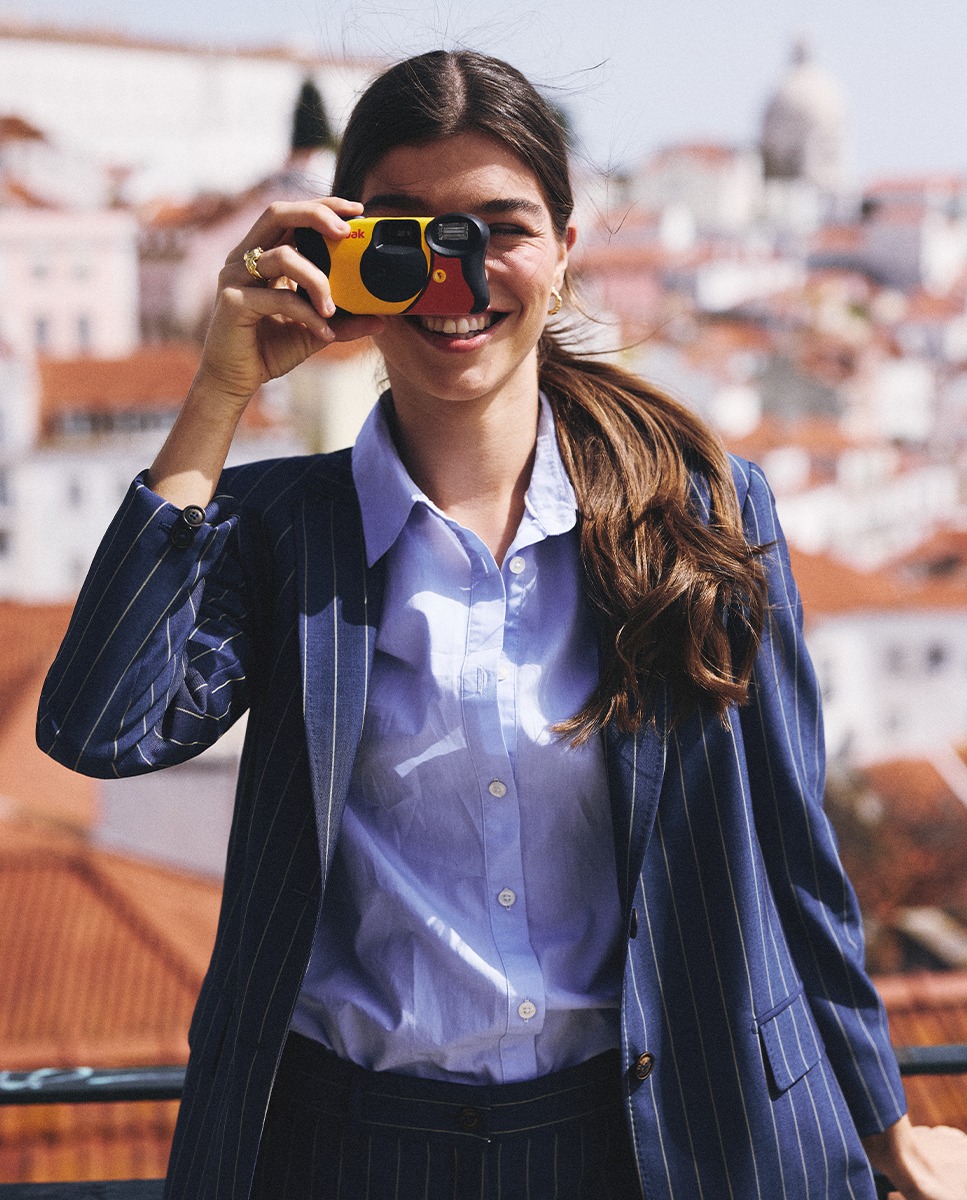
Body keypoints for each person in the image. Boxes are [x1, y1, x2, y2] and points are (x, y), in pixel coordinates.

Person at [38, 50, 967, 1200]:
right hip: (351, 1149)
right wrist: (219, 390)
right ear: (341, 256)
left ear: (566, 251)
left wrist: (885, 1125)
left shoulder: (701, 510)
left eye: (497, 228)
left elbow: (792, 851)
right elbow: (98, 729)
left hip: (642, 1138)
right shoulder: (283, 535)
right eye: (408, 234)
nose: (454, 274)